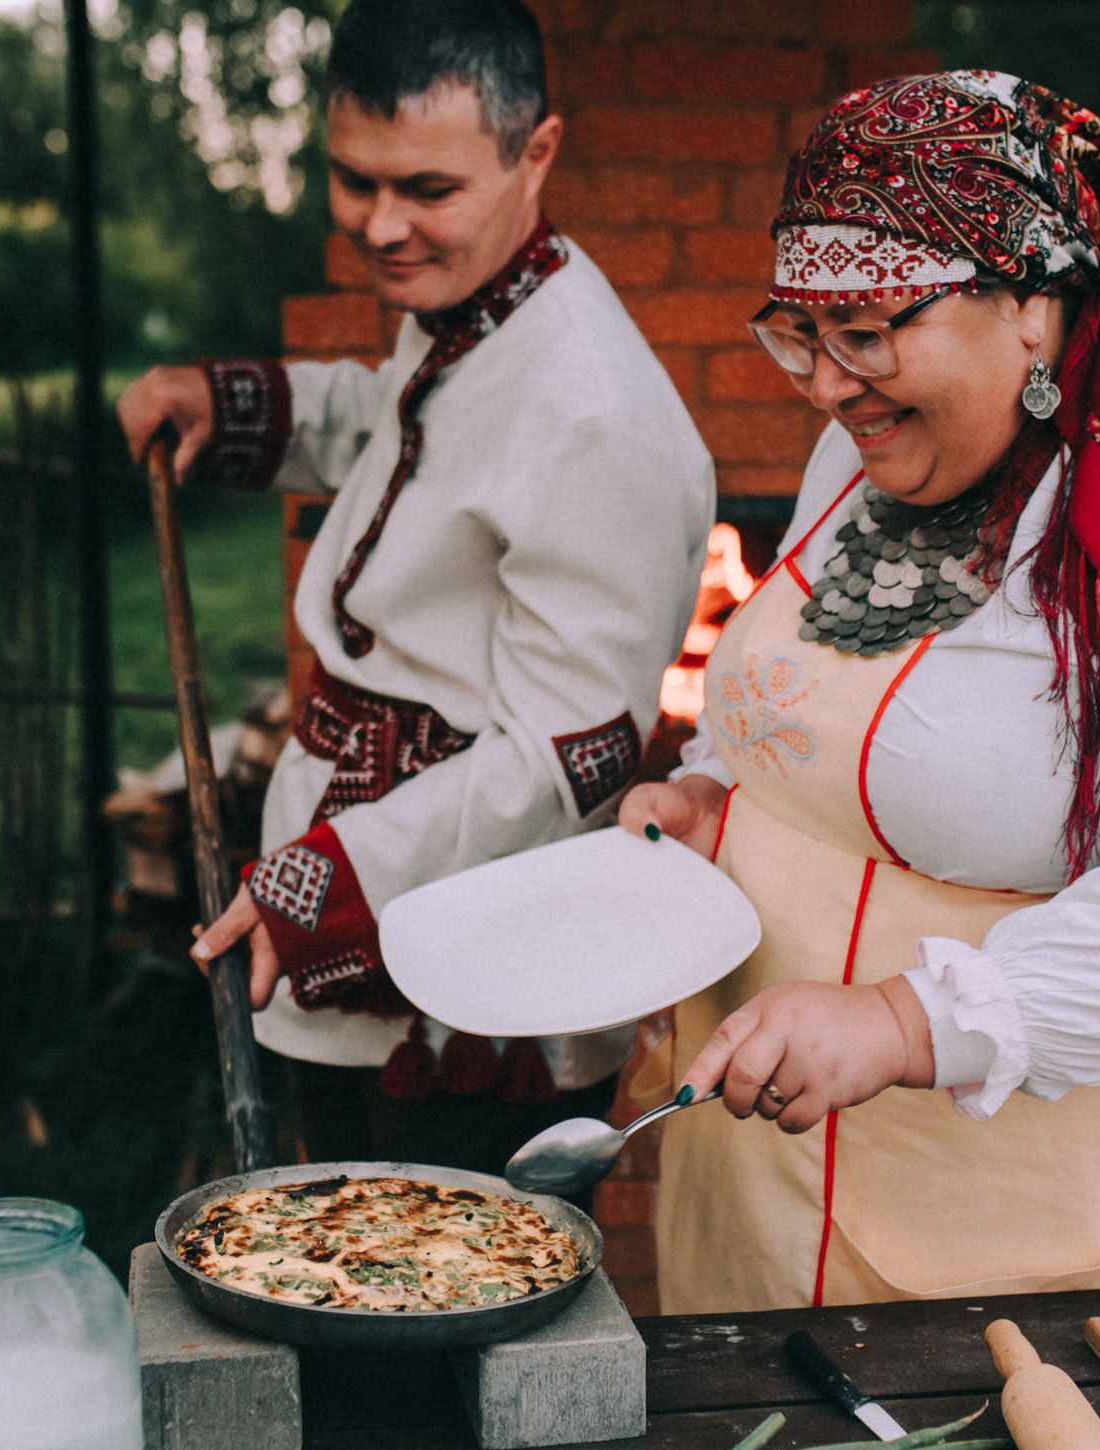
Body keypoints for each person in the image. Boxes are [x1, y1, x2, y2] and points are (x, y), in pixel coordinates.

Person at [618, 72, 1100, 1312]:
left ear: (1032, 304)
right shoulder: (867, 443)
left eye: (871, 328)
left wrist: (901, 1020)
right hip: (782, 1179)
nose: (826, 384)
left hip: (1066, 1203)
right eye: (799, 331)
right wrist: (710, 795)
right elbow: (802, 698)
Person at [119, 0, 712, 1176]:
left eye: (426, 190)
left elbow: (567, 755)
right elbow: (410, 439)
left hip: (467, 975)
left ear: (534, 151)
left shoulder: (595, 413)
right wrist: (225, 404)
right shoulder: (476, 301)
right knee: (331, 1265)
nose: (381, 225)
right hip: (368, 879)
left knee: (419, 1313)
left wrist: (323, 882)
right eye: (352, 181)